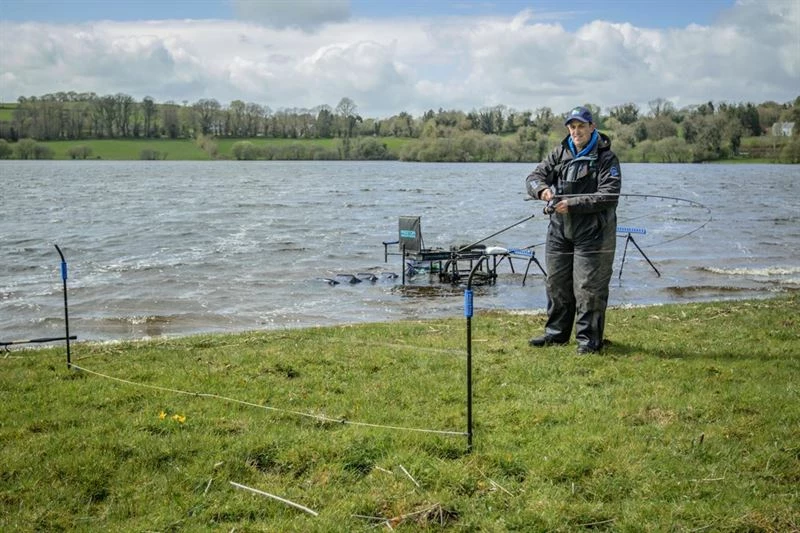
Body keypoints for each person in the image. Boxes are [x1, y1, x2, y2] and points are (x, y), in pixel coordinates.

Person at [525, 106, 622, 354]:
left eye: (581, 126)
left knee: (588, 287)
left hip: (594, 233)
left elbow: (609, 195)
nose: (576, 131)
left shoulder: (606, 158)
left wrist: (572, 204)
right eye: (572, 127)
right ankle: (556, 335)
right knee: (556, 283)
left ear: (592, 127)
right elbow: (533, 177)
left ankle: (589, 341)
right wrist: (542, 191)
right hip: (559, 230)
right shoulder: (560, 152)